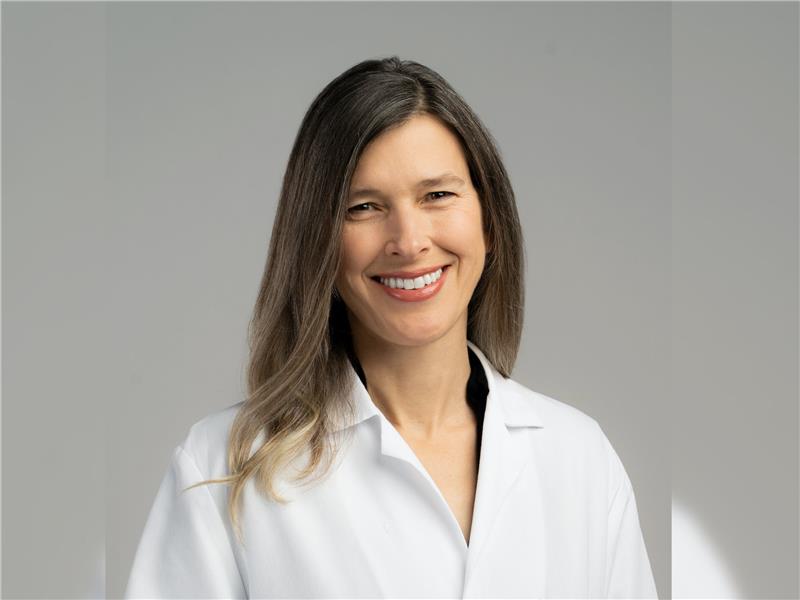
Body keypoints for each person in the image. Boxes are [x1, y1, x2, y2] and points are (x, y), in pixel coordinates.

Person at [124, 56, 659, 599]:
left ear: (489, 221)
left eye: (437, 196)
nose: (408, 240)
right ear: (319, 244)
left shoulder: (579, 458)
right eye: (364, 206)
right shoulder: (224, 466)